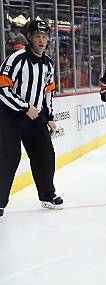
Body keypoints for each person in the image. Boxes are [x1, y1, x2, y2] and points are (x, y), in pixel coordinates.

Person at [0, 20, 62, 218]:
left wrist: (49, 117)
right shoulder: (16, 59)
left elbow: (48, 93)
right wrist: (24, 107)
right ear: (30, 38)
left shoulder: (49, 65)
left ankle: (47, 195)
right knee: (9, 158)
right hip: (10, 116)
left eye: (44, 36)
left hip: (36, 117)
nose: (41, 40)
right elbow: (2, 87)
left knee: (45, 155)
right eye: (37, 36)